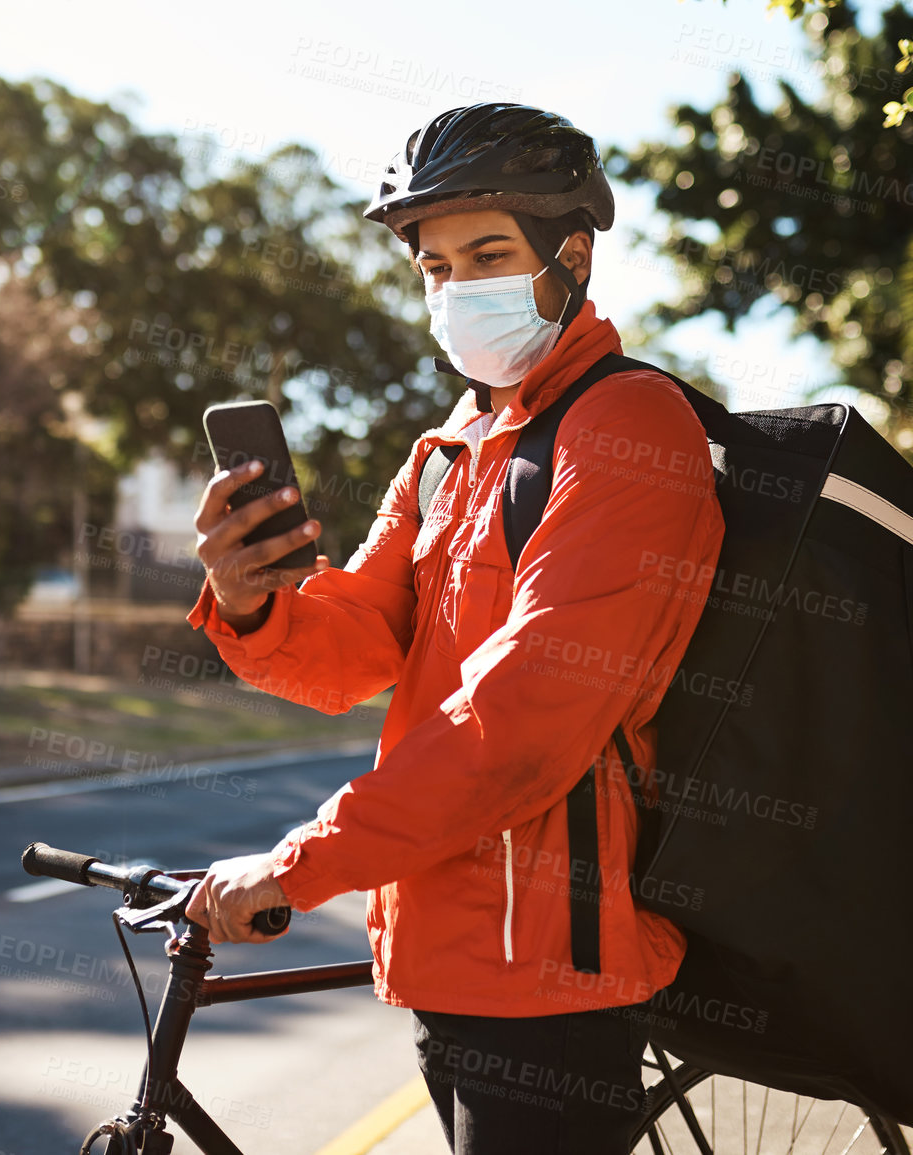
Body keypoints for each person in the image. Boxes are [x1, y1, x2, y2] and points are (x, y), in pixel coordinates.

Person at [184, 103, 726, 1153]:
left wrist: (299, 864)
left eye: (486, 253)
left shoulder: (628, 428)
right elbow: (356, 649)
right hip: (442, 960)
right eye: (435, 267)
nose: (456, 288)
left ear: (569, 256)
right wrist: (255, 602)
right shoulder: (448, 453)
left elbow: (521, 722)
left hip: (555, 983)